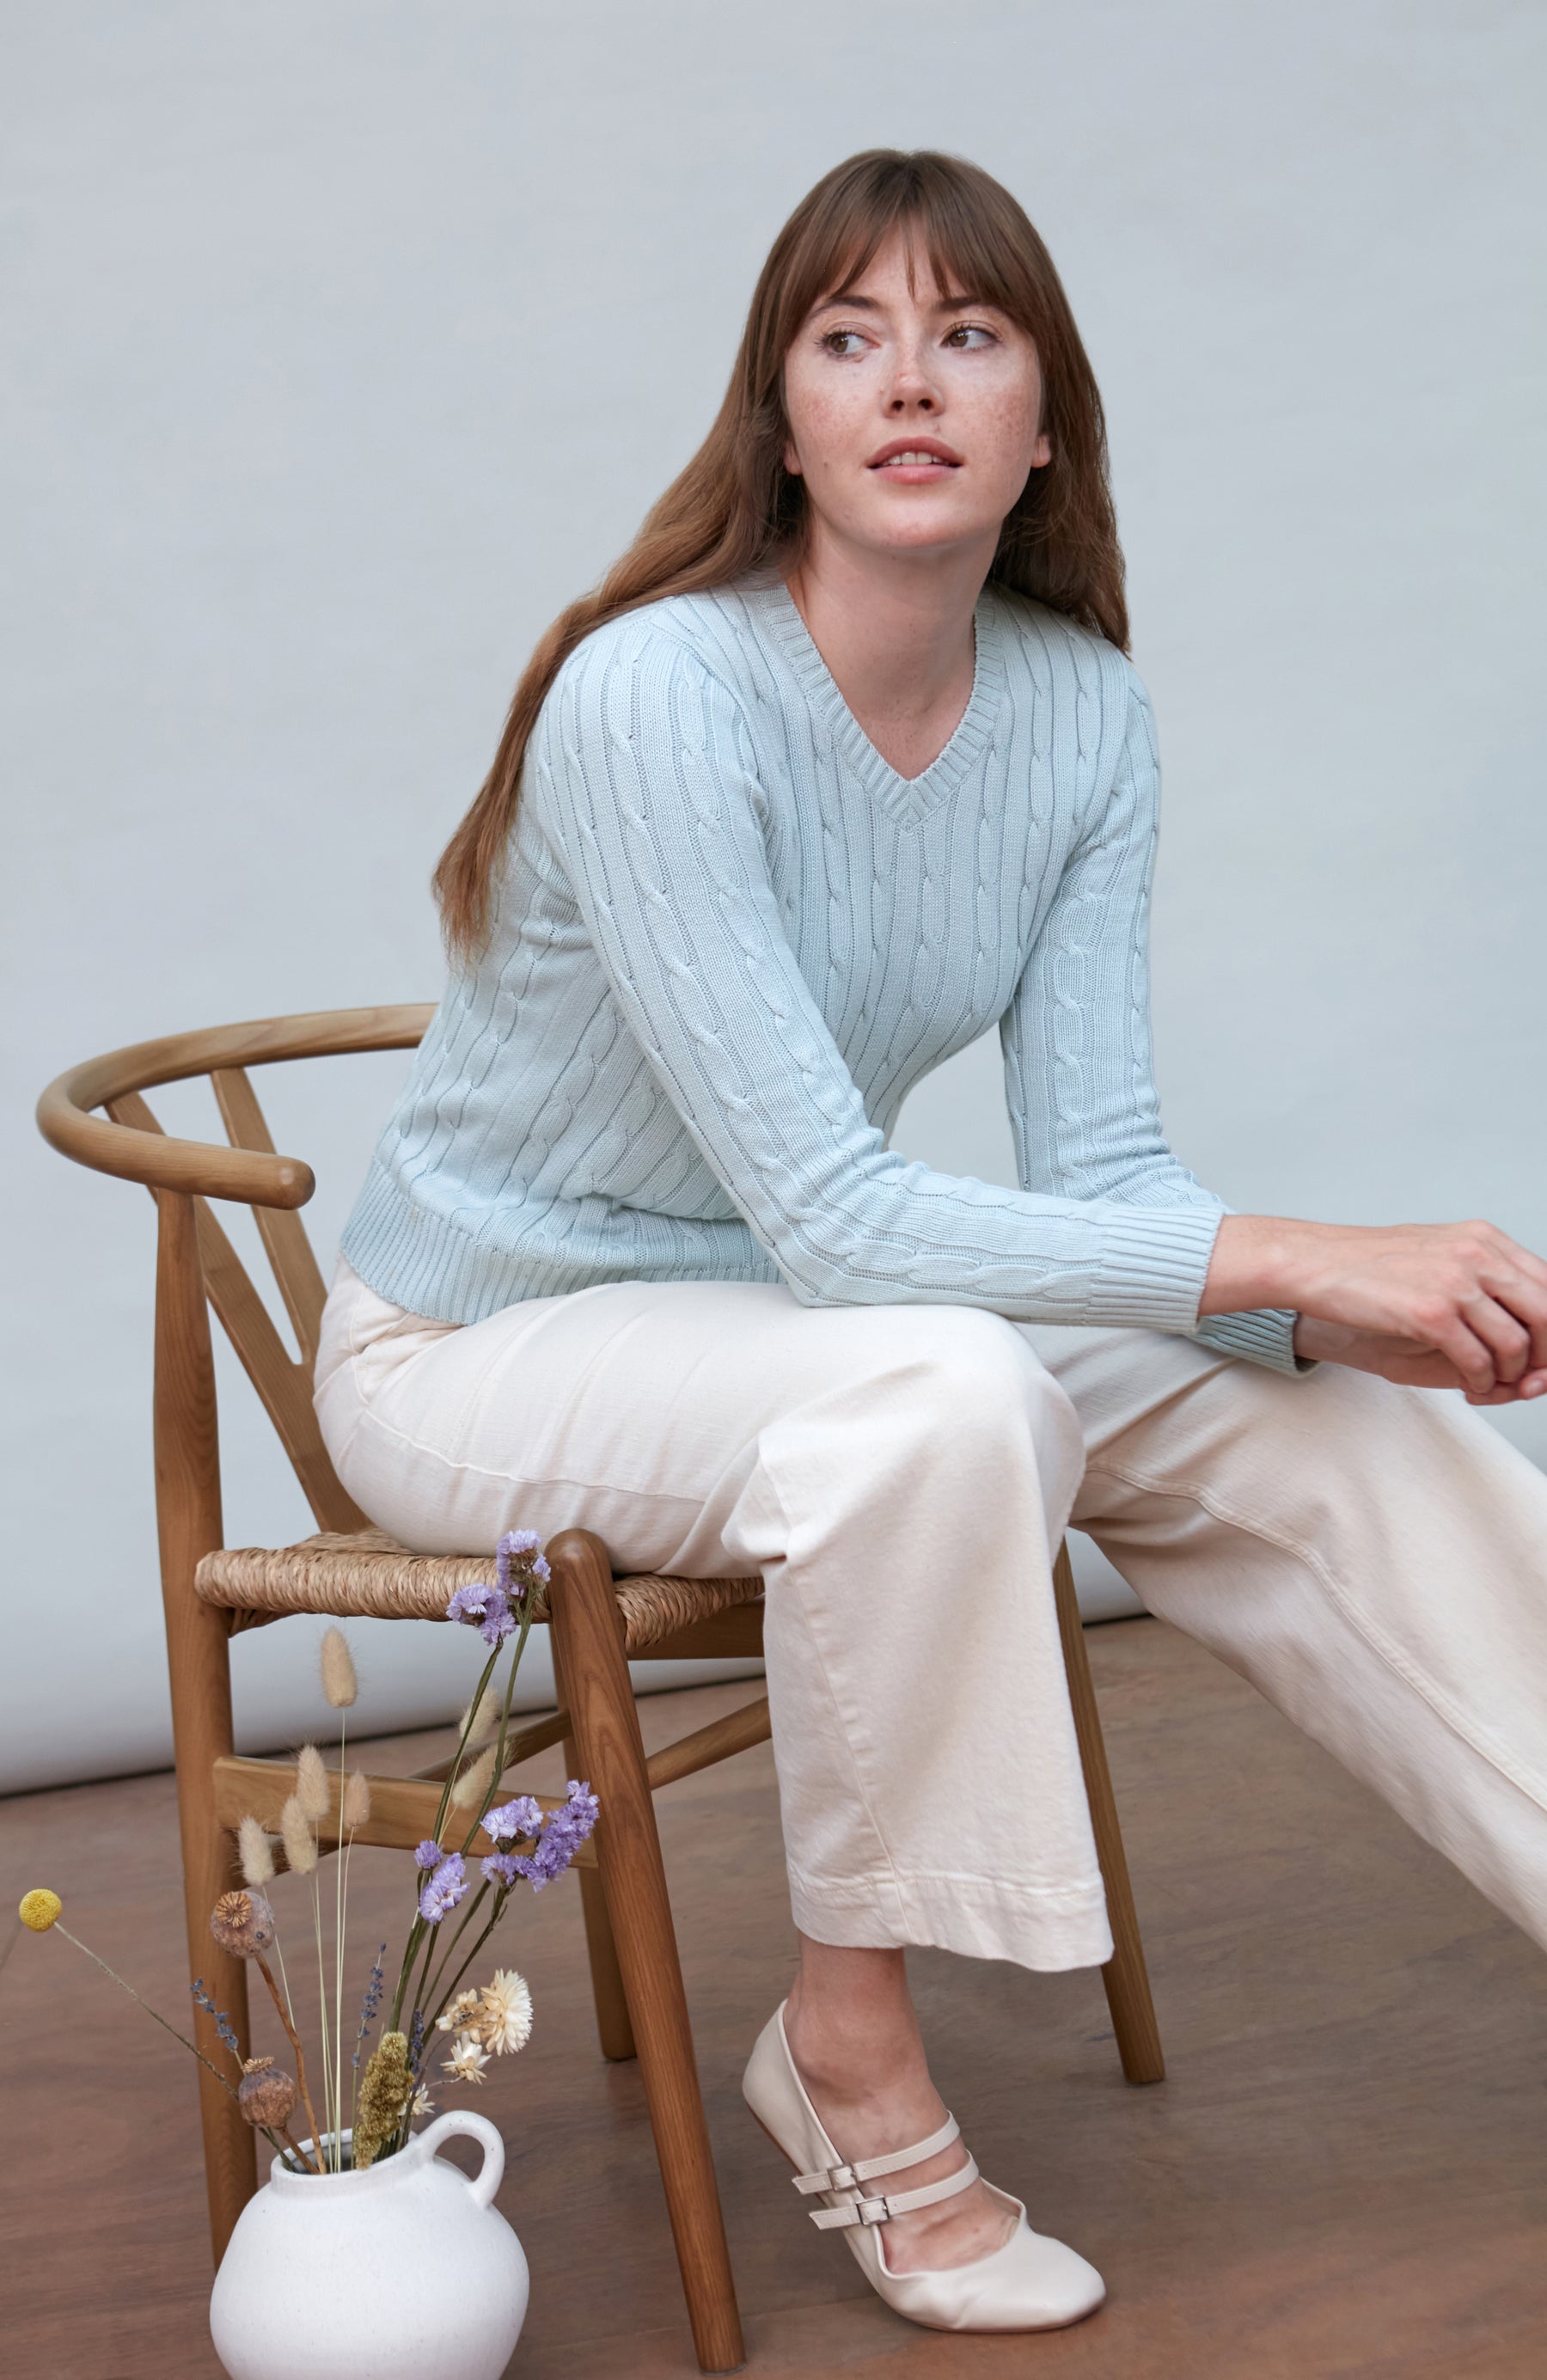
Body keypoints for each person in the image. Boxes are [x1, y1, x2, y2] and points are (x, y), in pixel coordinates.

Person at [314, 150, 1547, 2333]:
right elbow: (842, 1209)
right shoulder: (656, 696)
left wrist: (1321, 1318)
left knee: (1340, 1423)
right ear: (775, 412)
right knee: (950, 1387)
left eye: (969, 335)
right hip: (493, 1342)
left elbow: (1099, 1172)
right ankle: (853, 2047)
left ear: (1044, 420)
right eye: (848, 335)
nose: (911, 380)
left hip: (803, 1320)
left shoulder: (1081, 709)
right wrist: (1300, 1250)